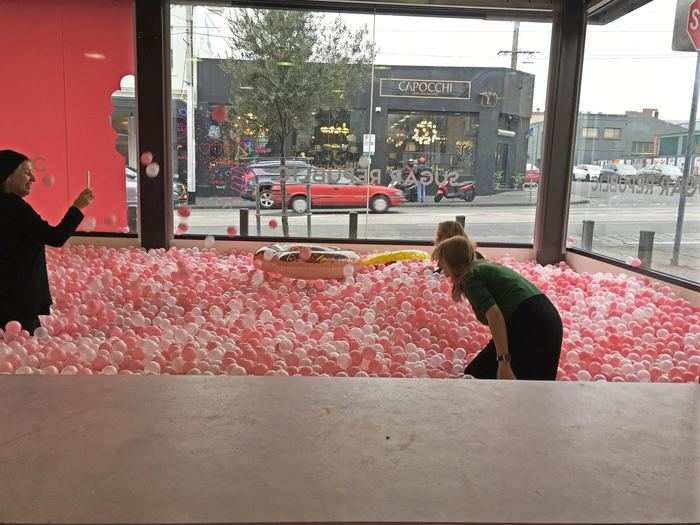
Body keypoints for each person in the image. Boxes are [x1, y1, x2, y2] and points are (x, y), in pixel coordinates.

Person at [432, 235, 562, 380]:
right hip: (547, 318)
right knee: (535, 386)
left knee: (476, 376)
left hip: (531, 323)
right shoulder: (482, 267)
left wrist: (503, 363)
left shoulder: (470, 277)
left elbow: (495, 316)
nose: (441, 267)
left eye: (442, 262)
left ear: (453, 262)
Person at [0, 150, 94, 334]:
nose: (33, 178)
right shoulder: (15, 208)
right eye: (27, 172)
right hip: (17, 300)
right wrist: (77, 207)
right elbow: (55, 237)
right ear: (8, 176)